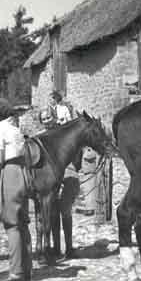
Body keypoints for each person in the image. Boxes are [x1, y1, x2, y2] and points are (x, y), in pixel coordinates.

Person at [0, 98, 33, 281]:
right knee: (23, 221)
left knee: (11, 223)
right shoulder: (17, 130)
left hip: (9, 172)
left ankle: (16, 271)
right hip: (23, 172)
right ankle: (28, 268)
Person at [38, 90, 80, 258]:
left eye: (49, 117)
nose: (47, 121)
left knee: (65, 210)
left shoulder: (63, 135)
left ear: (54, 117)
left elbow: (74, 153)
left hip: (67, 173)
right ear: (41, 122)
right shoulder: (40, 138)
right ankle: (55, 248)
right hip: (49, 178)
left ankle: (69, 247)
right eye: (44, 119)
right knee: (52, 211)